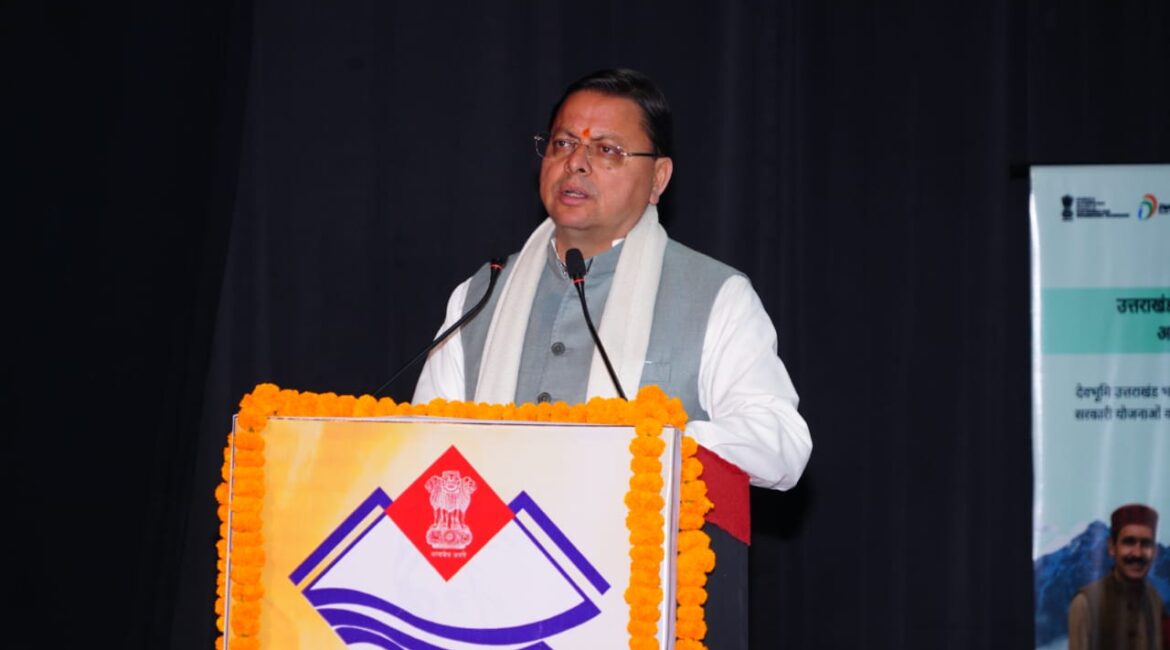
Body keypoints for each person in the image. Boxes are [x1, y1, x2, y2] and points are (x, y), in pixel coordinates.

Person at [413, 68, 812, 648]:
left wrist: (650, 444)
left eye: (607, 150)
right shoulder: (480, 294)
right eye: (562, 143)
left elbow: (783, 448)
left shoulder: (716, 295)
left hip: (640, 608)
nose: (576, 163)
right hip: (485, 606)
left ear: (658, 178)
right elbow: (421, 448)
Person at [1068, 503, 1164, 650]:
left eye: (1146, 544)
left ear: (1155, 551)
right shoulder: (1085, 603)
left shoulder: (1154, 601)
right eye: (1129, 542)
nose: (1137, 553)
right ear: (1112, 547)